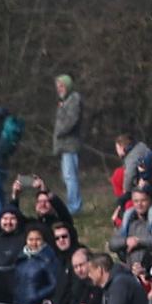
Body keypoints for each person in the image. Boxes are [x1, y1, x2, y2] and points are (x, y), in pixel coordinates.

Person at [51, 74, 86, 213]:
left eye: (61, 86)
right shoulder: (65, 101)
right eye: (57, 86)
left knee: (71, 176)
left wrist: (59, 131)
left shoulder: (74, 99)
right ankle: (72, 204)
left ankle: (75, 206)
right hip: (64, 145)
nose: (59, 89)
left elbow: (71, 120)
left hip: (70, 144)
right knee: (67, 176)